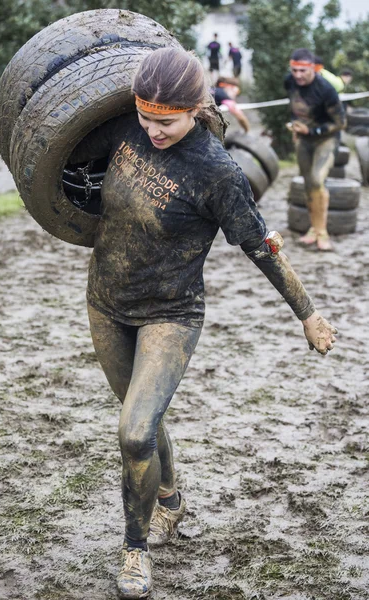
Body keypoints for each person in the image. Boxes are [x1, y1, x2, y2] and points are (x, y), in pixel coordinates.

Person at [71, 47, 338, 599]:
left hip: (170, 313)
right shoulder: (125, 128)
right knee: (141, 425)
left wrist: (308, 314)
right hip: (105, 302)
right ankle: (169, 496)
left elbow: (261, 249)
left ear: (197, 109)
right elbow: (57, 158)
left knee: (135, 430)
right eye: (145, 118)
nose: (151, 131)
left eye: (164, 122)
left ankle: (136, 549)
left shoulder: (218, 173)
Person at [285, 48, 346, 251]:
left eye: (303, 71)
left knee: (318, 180)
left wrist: (312, 130)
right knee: (309, 183)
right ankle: (314, 228)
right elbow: (295, 107)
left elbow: (341, 122)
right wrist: (295, 124)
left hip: (326, 139)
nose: (298, 75)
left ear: (313, 68)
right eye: (294, 70)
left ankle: (322, 233)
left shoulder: (326, 89)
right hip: (303, 138)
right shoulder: (289, 81)